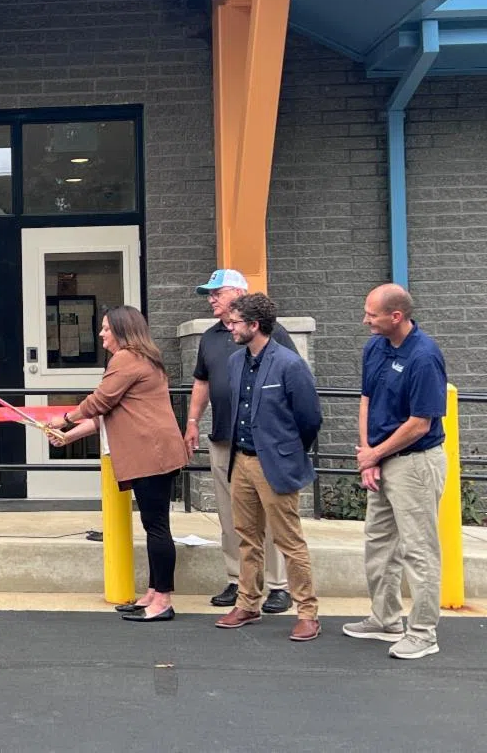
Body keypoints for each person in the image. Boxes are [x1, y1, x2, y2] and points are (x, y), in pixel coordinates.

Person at [48, 306, 190, 623]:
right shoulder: (142, 359)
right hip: (155, 453)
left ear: (123, 331)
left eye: (106, 328)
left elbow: (99, 401)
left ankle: (162, 601)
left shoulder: (126, 358)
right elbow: (107, 413)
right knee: (154, 525)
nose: (101, 334)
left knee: (157, 527)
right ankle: (153, 593)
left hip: (152, 454)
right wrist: (68, 436)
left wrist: (66, 418)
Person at [343, 284, 447, 660]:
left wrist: (375, 454)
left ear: (396, 316)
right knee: (379, 542)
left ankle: (423, 633)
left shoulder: (424, 356)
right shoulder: (375, 347)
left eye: (372, 315)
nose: (365, 320)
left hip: (415, 462)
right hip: (381, 458)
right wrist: (368, 456)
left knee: (418, 549)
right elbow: (366, 400)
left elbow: (420, 423)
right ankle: (385, 619)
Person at [184, 268, 298, 613]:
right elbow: (202, 382)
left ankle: (278, 585)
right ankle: (238, 580)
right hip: (224, 438)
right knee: (230, 513)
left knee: (270, 512)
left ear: (238, 293)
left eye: (216, 293)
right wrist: (192, 421)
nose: (211, 299)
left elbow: (295, 380)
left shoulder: (271, 332)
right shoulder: (209, 337)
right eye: (209, 294)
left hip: (264, 441)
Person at [213, 293, 323, 641]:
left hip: (275, 463)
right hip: (241, 460)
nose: (230, 328)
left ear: (254, 325)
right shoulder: (236, 362)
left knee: (289, 540)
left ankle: (307, 612)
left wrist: (287, 452)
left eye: (235, 323)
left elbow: (310, 418)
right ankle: (248, 603)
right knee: (247, 538)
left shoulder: (289, 364)